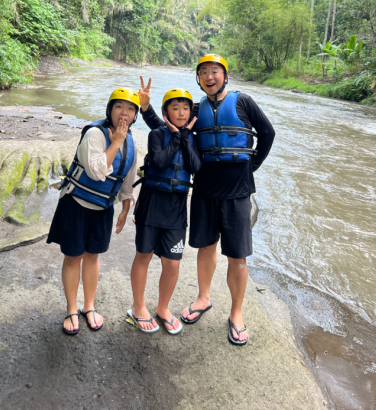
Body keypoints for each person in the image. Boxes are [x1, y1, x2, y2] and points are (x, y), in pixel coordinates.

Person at [138, 54, 275, 345]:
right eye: (203, 72)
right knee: (206, 247)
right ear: (198, 79)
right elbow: (166, 126)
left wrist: (252, 166)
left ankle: (236, 313)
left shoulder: (243, 102)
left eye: (215, 71)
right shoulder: (196, 110)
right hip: (204, 190)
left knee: (237, 256)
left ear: (225, 75)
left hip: (237, 193)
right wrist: (147, 107)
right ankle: (203, 297)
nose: (209, 76)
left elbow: (267, 133)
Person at [47, 87, 140, 335]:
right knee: (73, 256)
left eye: (130, 109)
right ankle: (71, 308)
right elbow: (97, 171)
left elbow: (128, 178)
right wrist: (116, 141)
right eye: (119, 107)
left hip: (103, 207)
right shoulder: (95, 134)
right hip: (76, 203)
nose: (124, 113)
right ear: (110, 110)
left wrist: (125, 206)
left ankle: (89, 306)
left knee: (93, 256)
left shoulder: (131, 140)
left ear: (135, 114)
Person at [127, 88, 201, 335]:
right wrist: (177, 137)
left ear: (191, 112)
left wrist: (184, 136)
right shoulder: (157, 134)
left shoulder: (193, 137)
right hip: (151, 204)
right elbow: (159, 162)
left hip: (176, 209)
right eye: (175, 108)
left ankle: (163, 308)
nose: (181, 113)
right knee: (144, 255)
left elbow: (195, 166)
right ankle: (138, 307)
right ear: (166, 112)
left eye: (185, 108)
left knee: (172, 263)